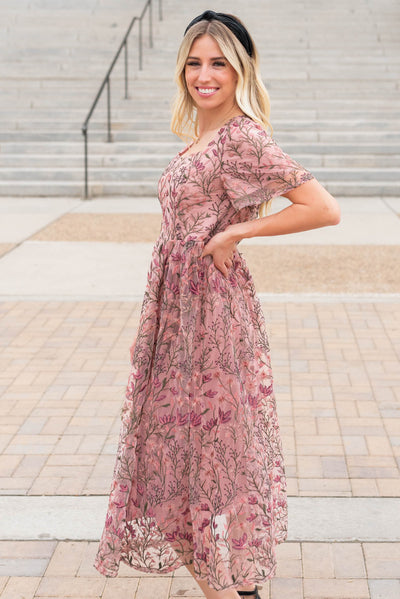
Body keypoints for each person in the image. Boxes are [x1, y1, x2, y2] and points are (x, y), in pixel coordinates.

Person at [93, 10, 340, 599]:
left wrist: (238, 234)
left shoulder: (241, 138)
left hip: (213, 316)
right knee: (168, 456)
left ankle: (230, 590)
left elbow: (322, 207)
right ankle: (227, 587)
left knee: (201, 455)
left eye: (219, 64)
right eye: (195, 63)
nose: (205, 75)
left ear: (240, 70)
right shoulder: (200, 136)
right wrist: (150, 326)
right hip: (177, 314)